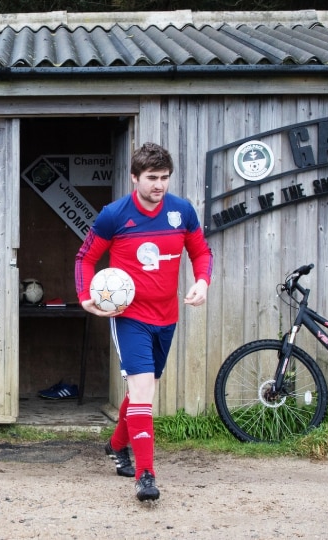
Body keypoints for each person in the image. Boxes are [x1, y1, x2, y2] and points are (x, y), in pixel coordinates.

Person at [74, 142, 213, 502]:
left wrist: (202, 281)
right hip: (130, 317)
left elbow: (200, 251)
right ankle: (145, 474)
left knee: (143, 389)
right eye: (152, 178)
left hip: (167, 317)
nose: (159, 185)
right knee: (144, 395)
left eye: (165, 178)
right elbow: (85, 258)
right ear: (134, 177)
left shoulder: (181, 211)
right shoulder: (114, 215)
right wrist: (85, 295)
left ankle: (117, 445)